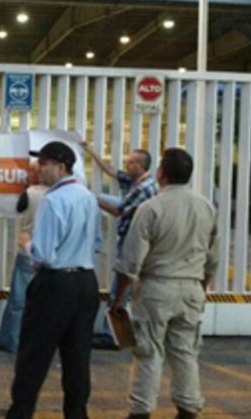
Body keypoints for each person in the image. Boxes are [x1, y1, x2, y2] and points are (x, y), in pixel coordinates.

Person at [111, 148, 219, 419]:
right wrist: (201, 289)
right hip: (192, 288)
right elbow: (213, 258)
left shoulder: (151, 208)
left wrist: (119, 298)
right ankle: (189, 408)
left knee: (148, 352)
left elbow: (131, 260)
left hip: (156, 288)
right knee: (185, 351)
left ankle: (141, 410)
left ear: (161, 174)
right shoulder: (206, 206)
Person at [6, 141, 102, 419]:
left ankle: (20, 413)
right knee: (77, 358)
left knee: (34, 357)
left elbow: (44, 255)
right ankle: (76, 413)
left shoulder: (52, 200)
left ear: (61, 167)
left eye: (45, 164)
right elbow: (97, 242)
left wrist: (27, 243)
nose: (39, 169)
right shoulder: (88, 197)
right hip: (85, 281)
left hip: (55, 284)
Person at [80, 142, 158, 350]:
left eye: (131, 162)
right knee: (126, 288)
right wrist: (91, 151)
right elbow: (111, 171)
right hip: (136, 239)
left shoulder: (141, 189)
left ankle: (111, 336)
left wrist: (90, 200)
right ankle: (119, 334)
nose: (127, 165)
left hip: (132, 240)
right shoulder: (138, 181)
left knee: (119, 289)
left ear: (141, 166)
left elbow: (118, 211)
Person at [0, 160, 49, 354]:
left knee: (18, 300)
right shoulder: (57, 193)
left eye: (31, 171)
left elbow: (19, 208)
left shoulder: (30, 193)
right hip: (48, 253)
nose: (28, 175)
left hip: (27, 251)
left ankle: (11, 340)